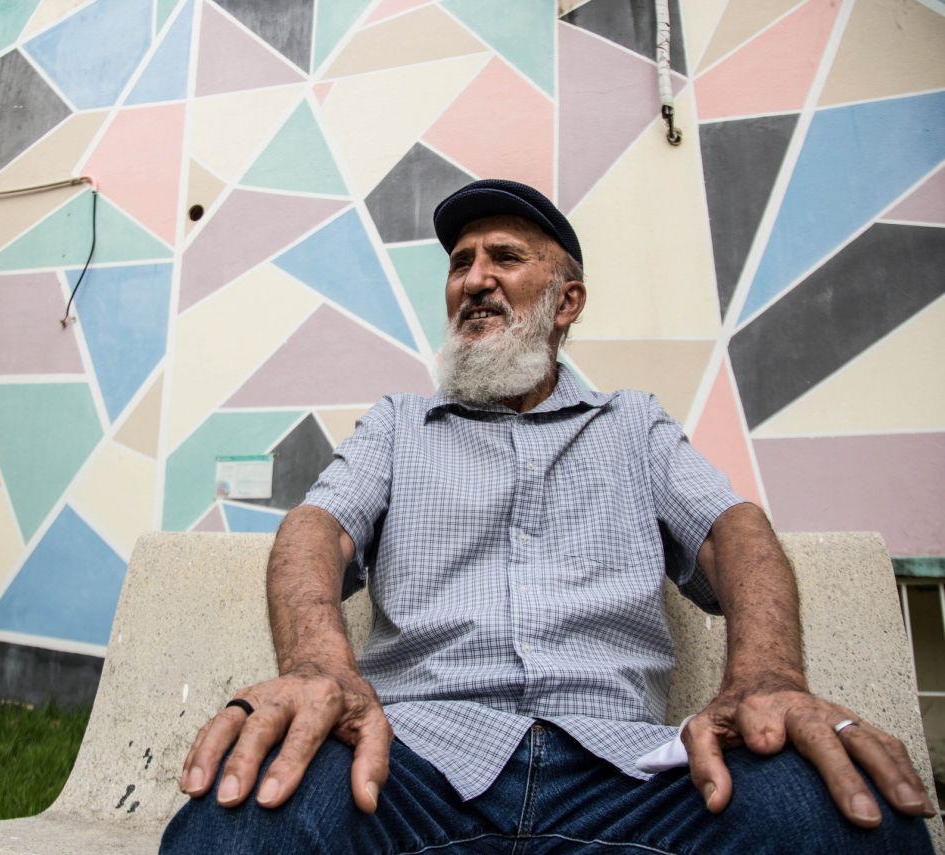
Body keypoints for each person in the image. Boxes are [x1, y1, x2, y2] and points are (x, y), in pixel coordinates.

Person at [161, 179, 935, 853]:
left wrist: (766, 676)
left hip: (627, 781)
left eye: (503, 257)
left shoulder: (633, 424)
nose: (474, 279)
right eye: (461, 263)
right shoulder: (398, 424)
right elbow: (316, 528)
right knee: (236, 818)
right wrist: (318, 665)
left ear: (566, 302)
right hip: (411, 772)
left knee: (847, 821)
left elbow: (733, 529)